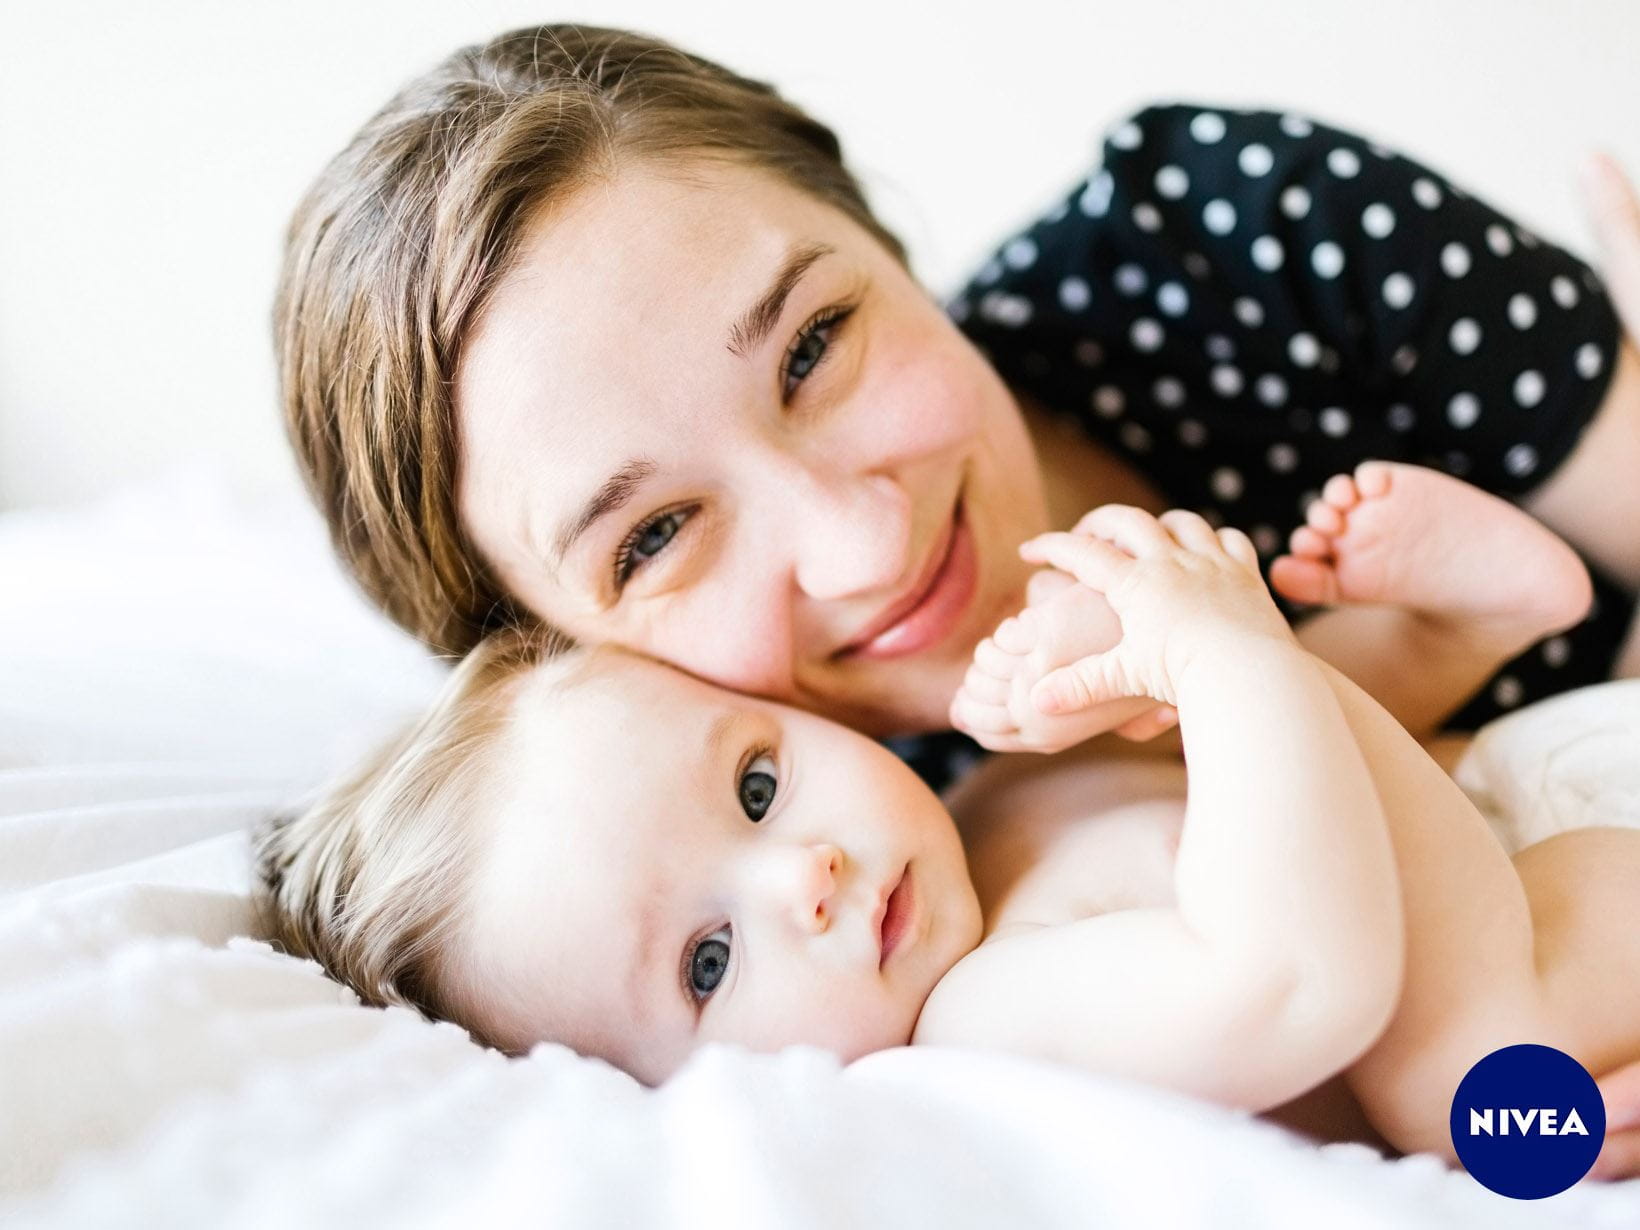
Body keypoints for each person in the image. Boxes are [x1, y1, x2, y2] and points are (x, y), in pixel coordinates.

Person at [271, 23, 1640, 1169]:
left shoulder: (1217, 254)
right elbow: (1303, 977)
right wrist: (1218, 651)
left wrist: (1425, 634)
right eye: (656, 535)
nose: (866, 544)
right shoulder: (942, 978)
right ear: (572, 649)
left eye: (815, 343)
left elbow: (1331, 747)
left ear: (878, 232)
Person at [257, 460, 1640, 1171]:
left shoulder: (983, 798)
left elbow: (1310, 770)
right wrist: (1216, 655)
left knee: (1318, 726)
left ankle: (1465, 625)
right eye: (709, 962)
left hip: (1510, 812)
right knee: (1476, 1052)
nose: (804, 875)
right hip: (1512, 1081)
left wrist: (1128, 680)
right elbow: (1300, 976)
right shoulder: (981, 1015)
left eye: (755, 784)